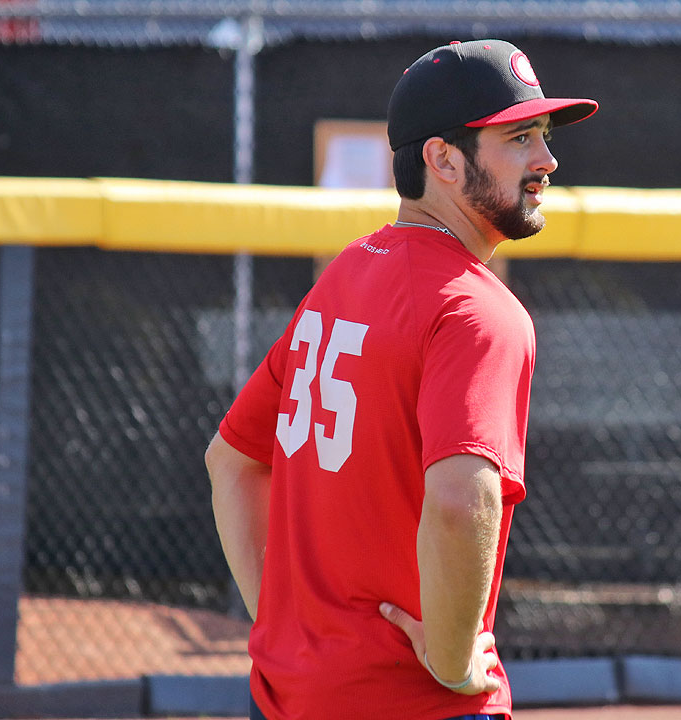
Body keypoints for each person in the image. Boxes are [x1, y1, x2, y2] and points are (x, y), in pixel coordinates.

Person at [205, 38, 597, 720]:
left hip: (285, 695)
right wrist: (450, 662)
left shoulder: (343, 276)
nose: (547, 159)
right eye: (519, 138)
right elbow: (458, 502)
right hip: (413, 702)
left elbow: (230, 460)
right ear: (442, 158)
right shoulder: (477, 309)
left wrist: (283, 626)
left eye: (542, 135)